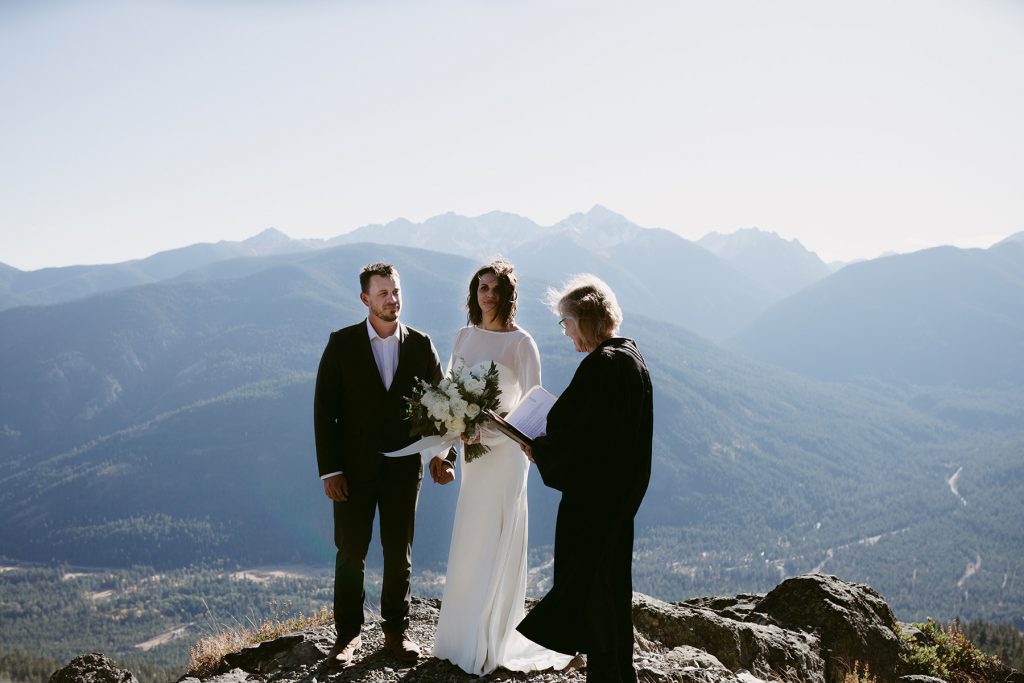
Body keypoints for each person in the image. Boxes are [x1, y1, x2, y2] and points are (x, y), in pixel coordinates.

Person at [430, 260, 573, 675]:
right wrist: (453, 440)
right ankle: (460, 636)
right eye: (482, 287)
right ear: (474, 293)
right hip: (473, 453)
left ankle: (491, 639)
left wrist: (494, 426)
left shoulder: (521, 343)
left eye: (496, 288)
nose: (488, 295)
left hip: (507, 454)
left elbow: (535, 407)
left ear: (508, 295)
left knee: (498, 533)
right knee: (472, 534)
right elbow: (447, 393)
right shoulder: (464, 335)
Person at [313, 262, 455, 668]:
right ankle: (347, 636)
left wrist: (443, 457)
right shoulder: (340, 344)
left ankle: (396, 631)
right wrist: (330, 470)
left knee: (399, 554)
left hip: (403, 470)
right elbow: (325, 411)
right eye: (383, 293)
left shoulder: (421, 345)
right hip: (351, 473)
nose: (392, 299)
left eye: (396, 291)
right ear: (365, 299)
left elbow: (443, 407)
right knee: (350, 553)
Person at [516, 274, 653, 683]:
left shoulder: (603, 366)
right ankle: (614, 673)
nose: (566, 332)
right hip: (617, 502)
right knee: (611, 592)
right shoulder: (632, 358)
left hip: (593, 505)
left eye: (566, 322)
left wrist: (539, 449)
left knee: (593, 593)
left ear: (587, 320)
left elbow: (579, 437)